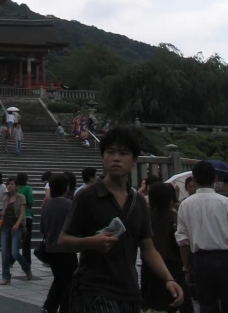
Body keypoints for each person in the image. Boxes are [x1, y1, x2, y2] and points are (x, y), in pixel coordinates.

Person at [59, 126, 184, 313]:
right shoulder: (87, 196)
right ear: (103, 157)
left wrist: (169, 279)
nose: (116, 158)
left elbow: (148, 249)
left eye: (123, 153)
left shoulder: (139, 202)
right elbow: (63, 241)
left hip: (130, 293)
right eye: (110, 152)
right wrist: (91, 242)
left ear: (134, 160)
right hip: (94, 292)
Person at [176, 160, 228, 313]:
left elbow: (183, 242)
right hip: (226, 259)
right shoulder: (225, 203)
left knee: (206, 305)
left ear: (194, 180)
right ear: (216, 179)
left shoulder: (185, 205)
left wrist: (186, 268)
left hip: (201, 261)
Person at [141, 182, 192, 313]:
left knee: (152, 302)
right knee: (181, 298)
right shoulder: (174, 215)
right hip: (173, 263)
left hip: (151, 265)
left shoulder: (145, 217)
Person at [41, 173, 78, 313]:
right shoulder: (69, 204)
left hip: (50, 248)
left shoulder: (46, 205)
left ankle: (53, 307)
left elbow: (42, 228)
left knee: (60, 279)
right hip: (66, 248)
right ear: (66, 187)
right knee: (68, 281)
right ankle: (53, 307)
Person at [0, 176, 32, 285]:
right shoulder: (5, 198)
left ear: (16, 186)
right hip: (5, 228)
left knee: (14, 253)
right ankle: (6, 276)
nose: (9, 186)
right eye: (8, 184)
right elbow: (4, 214)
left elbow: (22, 213)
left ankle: (26, 268)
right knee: (4, 253)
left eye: (12, 184)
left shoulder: (21, 197)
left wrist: (17, 225)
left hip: (16, 228)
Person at [17, 172, 35, 265]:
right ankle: (27, 260)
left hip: (16, 217)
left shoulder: (16, 188)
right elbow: (31, 201)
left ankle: (11, 259)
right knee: (27, 240)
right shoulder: (28, 188)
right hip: (27, 215)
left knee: (15, 239)